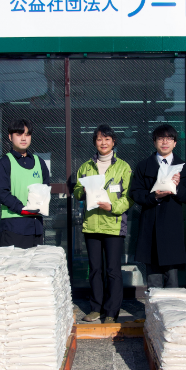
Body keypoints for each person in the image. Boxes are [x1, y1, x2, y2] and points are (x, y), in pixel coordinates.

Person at [73, 125, 134, 324]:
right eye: (99, 139)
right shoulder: (86, 167)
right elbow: (76, 191)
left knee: (113, 271)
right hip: (91, 224)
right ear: (95, 142)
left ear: (113, 142)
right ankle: (95, 309)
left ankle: (111, 311)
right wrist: (82, 191)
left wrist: (113, 207)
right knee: (95, 269)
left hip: (113, 225)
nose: (103, 143)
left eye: (107, 139)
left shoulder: (123, 167)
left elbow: (129, 197)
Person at [129, 124, 186, 288]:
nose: (165, 142)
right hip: (150, 224)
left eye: (169, 138)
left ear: (175, 143)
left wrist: (178, 188)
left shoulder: (184, 167)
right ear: (154, 142)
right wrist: (154, 197)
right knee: (153, 279)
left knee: (172, 278)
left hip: (172, 225)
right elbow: (135, 193)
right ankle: (153, 305)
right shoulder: (143, 166)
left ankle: (171, 305)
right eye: (161, 138)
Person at [0, 119, 50, 249]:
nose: (24, 138)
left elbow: (45, 189)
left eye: (27, 134)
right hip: (13, 227)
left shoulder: (40, 162)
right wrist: (23, 209)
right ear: (10, 137)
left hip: (36, 227)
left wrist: (39, 204)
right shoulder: (3, 163)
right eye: (19, 134)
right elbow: (3, 194)